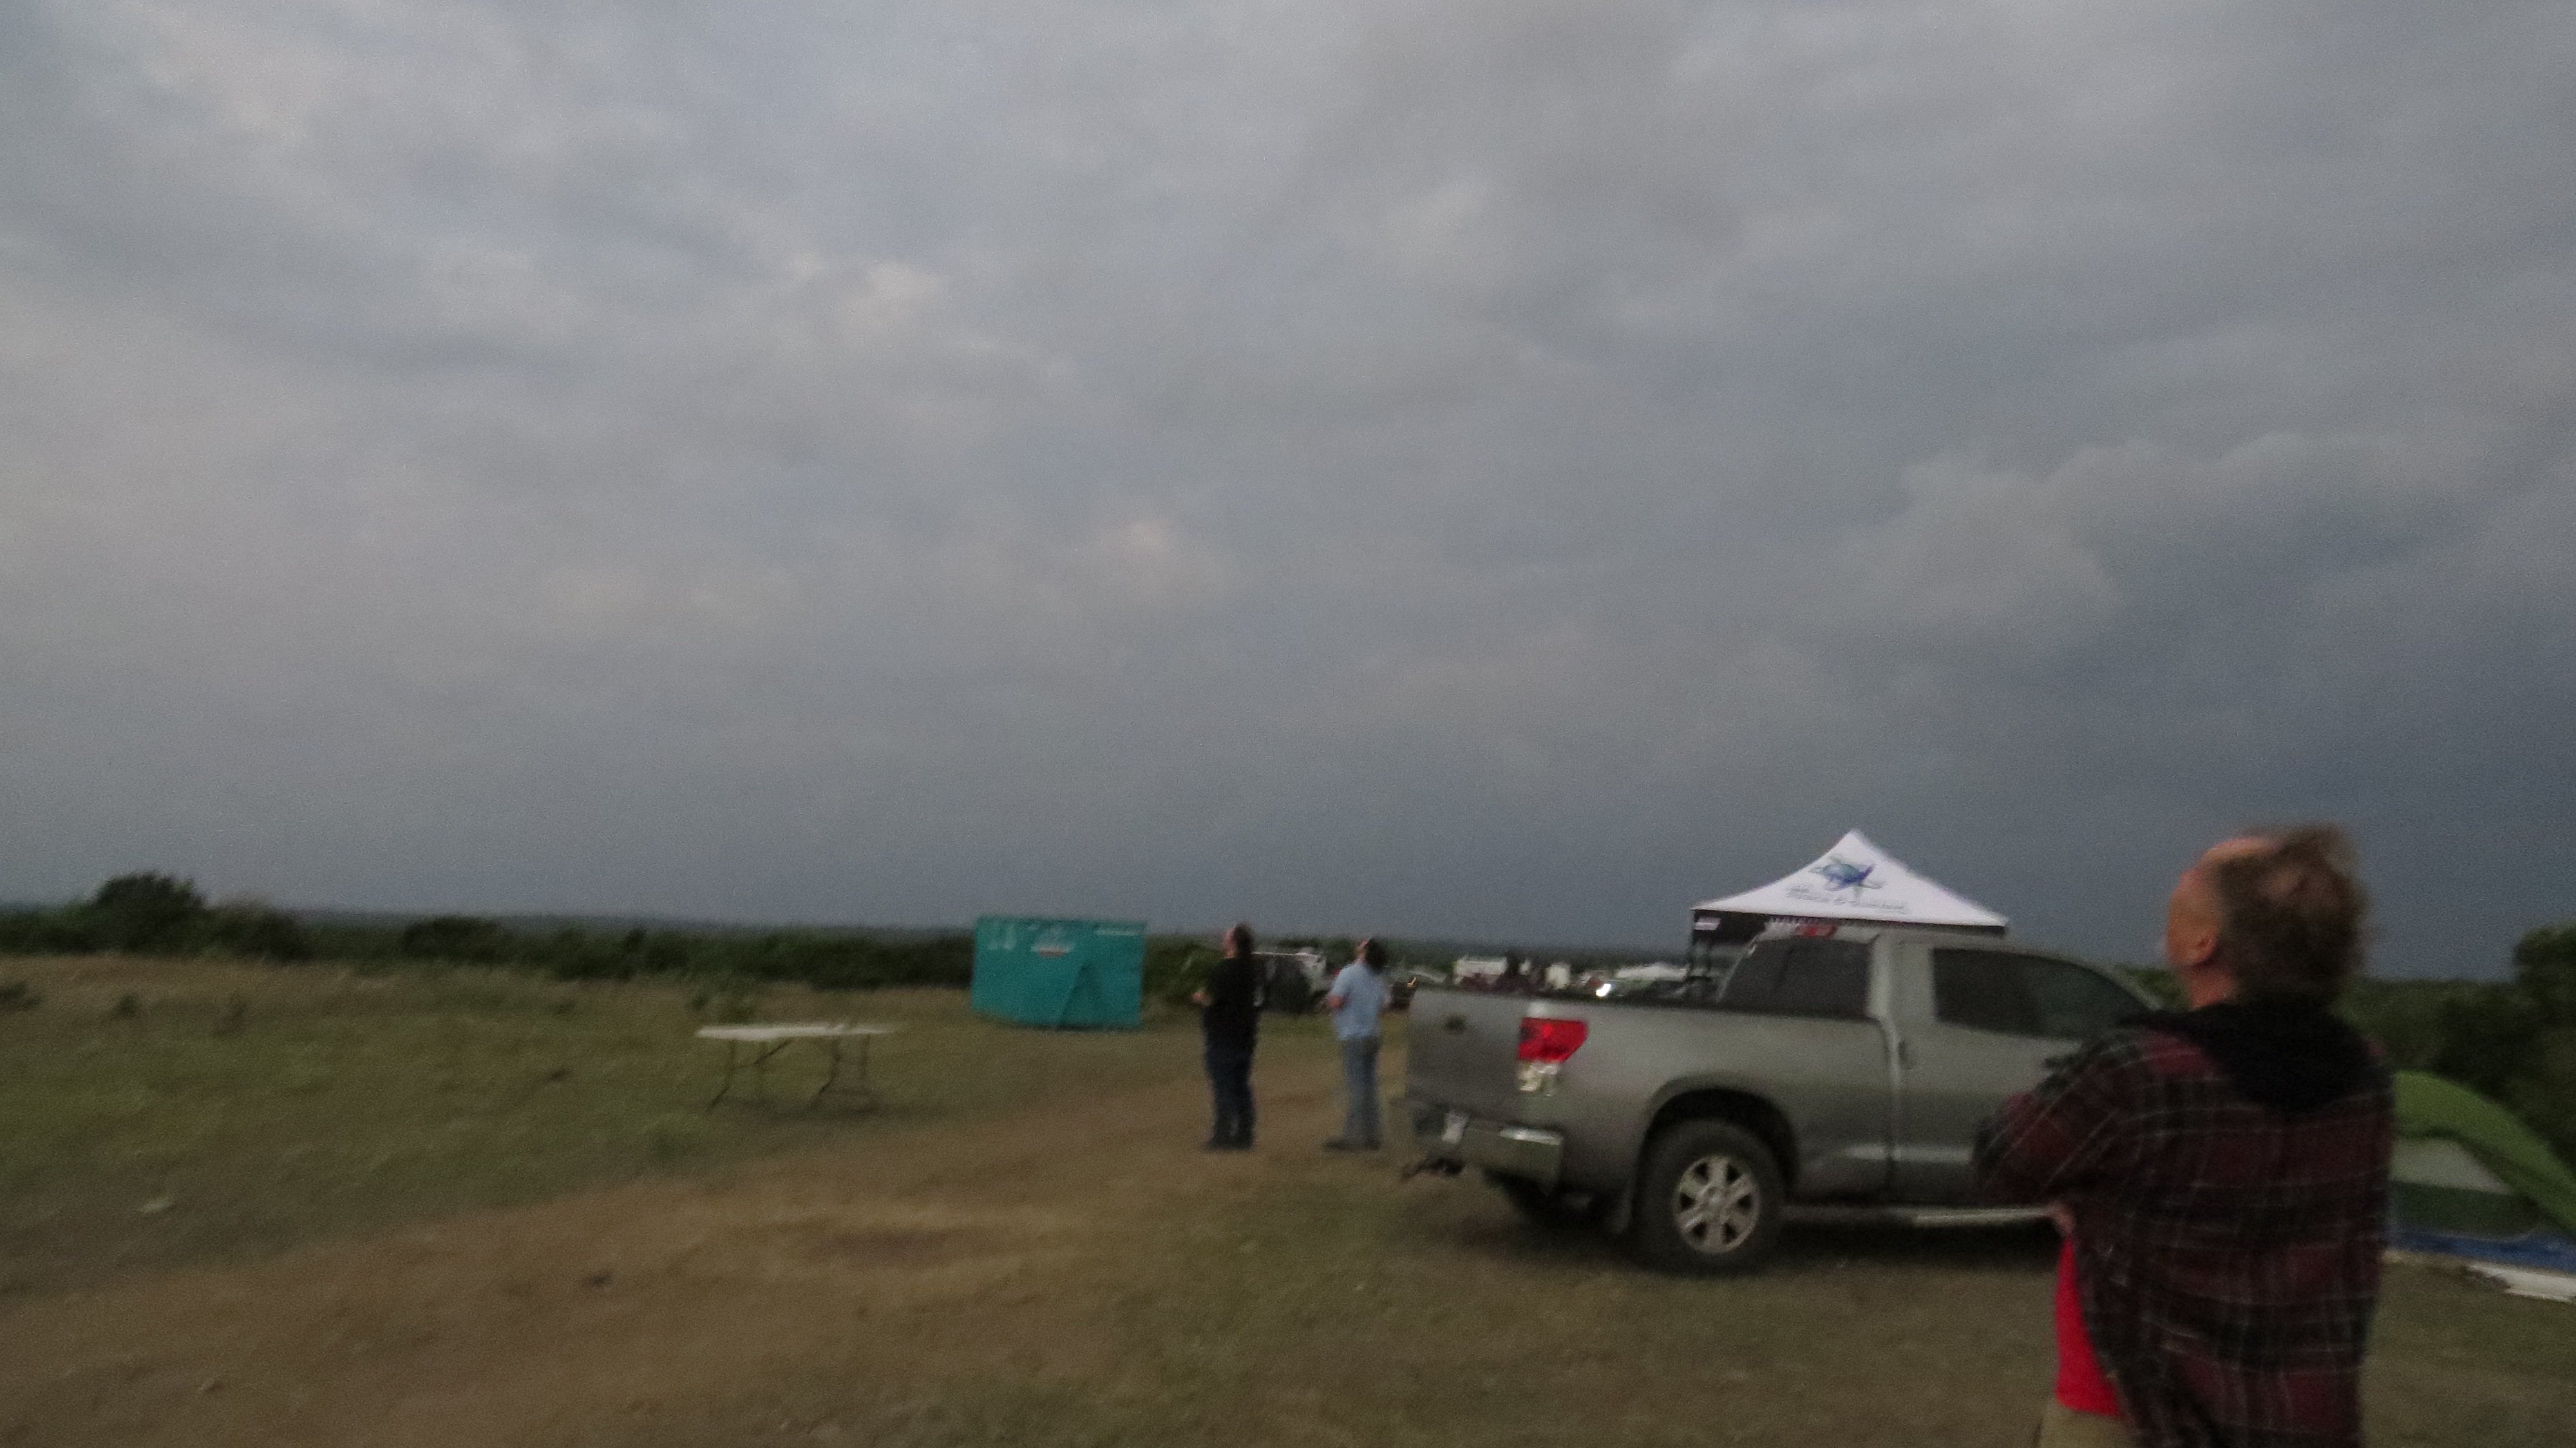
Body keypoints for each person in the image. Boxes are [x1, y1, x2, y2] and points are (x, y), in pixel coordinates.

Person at [1974, 826, 2394, 1448]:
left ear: (2203, 944)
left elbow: (2002, 1161)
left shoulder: (2139, 1068)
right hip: (2303, 1420)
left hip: (2134, 1416)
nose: (2177, 880)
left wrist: (2084, 1185)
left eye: (2194, 877)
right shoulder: (2366, 1073)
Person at [1189, 922, 1261, 1150]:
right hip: (1245, 1037)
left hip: (1223, 1036)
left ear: (1232, 943)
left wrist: (1201, 999)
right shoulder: (1251, 970)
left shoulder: (1223, 970)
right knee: (1241, 1086)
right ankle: (1244, 1134)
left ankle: (1222, 1135)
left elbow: (1217, 1001)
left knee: (1223, 1087)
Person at [1323, 938, 1392, 1150]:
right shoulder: (1379, 976)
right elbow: (1386, 1004)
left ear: (1364, 952)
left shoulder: (1349, 973)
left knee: (1356, 1088)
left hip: (1353, 1036)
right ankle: (1372, 1136)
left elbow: (1337, 1001)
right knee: (1370, 1087)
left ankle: (1353, 1137)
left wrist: (1328, 1001)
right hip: (1372, 1035)